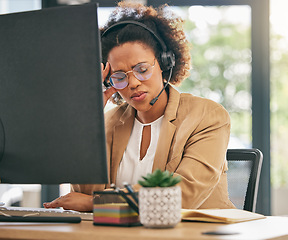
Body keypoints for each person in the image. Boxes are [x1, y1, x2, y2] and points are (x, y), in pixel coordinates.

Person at [44, 2, 235, 212]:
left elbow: (182, 195)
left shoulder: (206, 117)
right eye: (118, 76)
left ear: (164, 63)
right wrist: (89, 117)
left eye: (142, 69)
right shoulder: (108, 124)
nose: (133, 82)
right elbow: (84, 192)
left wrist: (96, 203)